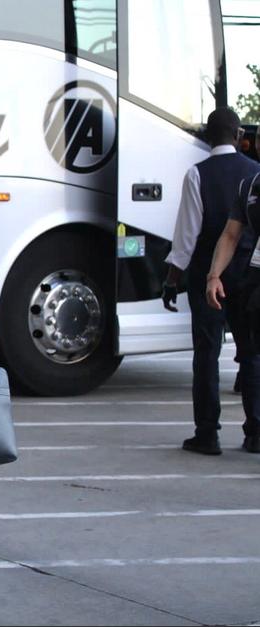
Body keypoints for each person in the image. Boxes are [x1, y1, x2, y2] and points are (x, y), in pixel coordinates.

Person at [161, 107, 260, 455]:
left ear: (206, 137)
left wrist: (172, 279)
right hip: (248, 279)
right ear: (238, 138)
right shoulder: (255, 173)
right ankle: (255, 432)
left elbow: (187, 236)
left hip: (208, 277)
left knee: (207, 354)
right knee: (250, 355)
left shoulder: (197, 174)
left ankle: (207, 433)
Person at [205, 161, 260, 453]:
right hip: (253, 283)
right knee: (252, 357)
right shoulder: (250, 187)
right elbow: (230, 234)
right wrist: (214, 275)